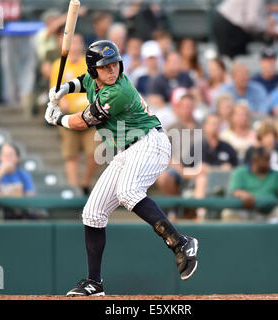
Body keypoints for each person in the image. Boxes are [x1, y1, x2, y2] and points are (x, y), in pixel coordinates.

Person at [45, 40, 199, 296]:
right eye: (105, 67)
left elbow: (84, 121)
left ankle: (181, 243)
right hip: (128, 150)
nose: (112, 70)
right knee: (92, 213)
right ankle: (94, 283)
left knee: (129, 191)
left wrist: (57, 118)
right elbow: (83, 80)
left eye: (115, 64)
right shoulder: (95, 78)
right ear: (96, 70)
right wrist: (63, 89)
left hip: (150, 142)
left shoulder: (118, 91)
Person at [49, 34, 98, 194]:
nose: (75, 46)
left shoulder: (88, 64)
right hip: (69, 116)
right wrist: (62, 102)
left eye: (77, 42)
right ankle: (74, 188)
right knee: (71, 154)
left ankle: (84, 184)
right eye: (72, 43)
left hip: (90, 116)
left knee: (94, 153)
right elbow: (55, 89)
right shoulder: (58, 65)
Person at [222, 147, 278, 222]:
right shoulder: (240, 173)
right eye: (265, 160)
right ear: (255, 160)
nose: (268, 163)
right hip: (247, 210)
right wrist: (244, 195)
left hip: (272, 211)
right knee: (229, 214)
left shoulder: (277, 175)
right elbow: (235, 191)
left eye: (269, 160)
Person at [193, 113, 238, 222]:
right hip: (202, 183)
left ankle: (230, 215)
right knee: (201, 179)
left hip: (225, 182)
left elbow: (236, 169)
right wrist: (218, 169)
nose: (215, 127)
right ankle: (201, 216)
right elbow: (188, 170)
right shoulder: (197, 146)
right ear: (205, 126)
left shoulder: (227, 147)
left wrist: (210, 169)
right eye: (212, 124)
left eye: (218, 124)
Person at [156, 93, 201, 198]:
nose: (187, 110)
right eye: (185, 107)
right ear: (179, 108)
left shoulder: (203, 126)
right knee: (163, 178)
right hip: (178, 167)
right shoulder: (171, 128)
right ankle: (178, 206)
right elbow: (163, 153)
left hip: (199, 166)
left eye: (190, 107)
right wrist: (178, 168)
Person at [212, 0, 278, 59]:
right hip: (229, 26)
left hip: (227, 22)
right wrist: (267, 28)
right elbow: (251, 21)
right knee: (232, 61)